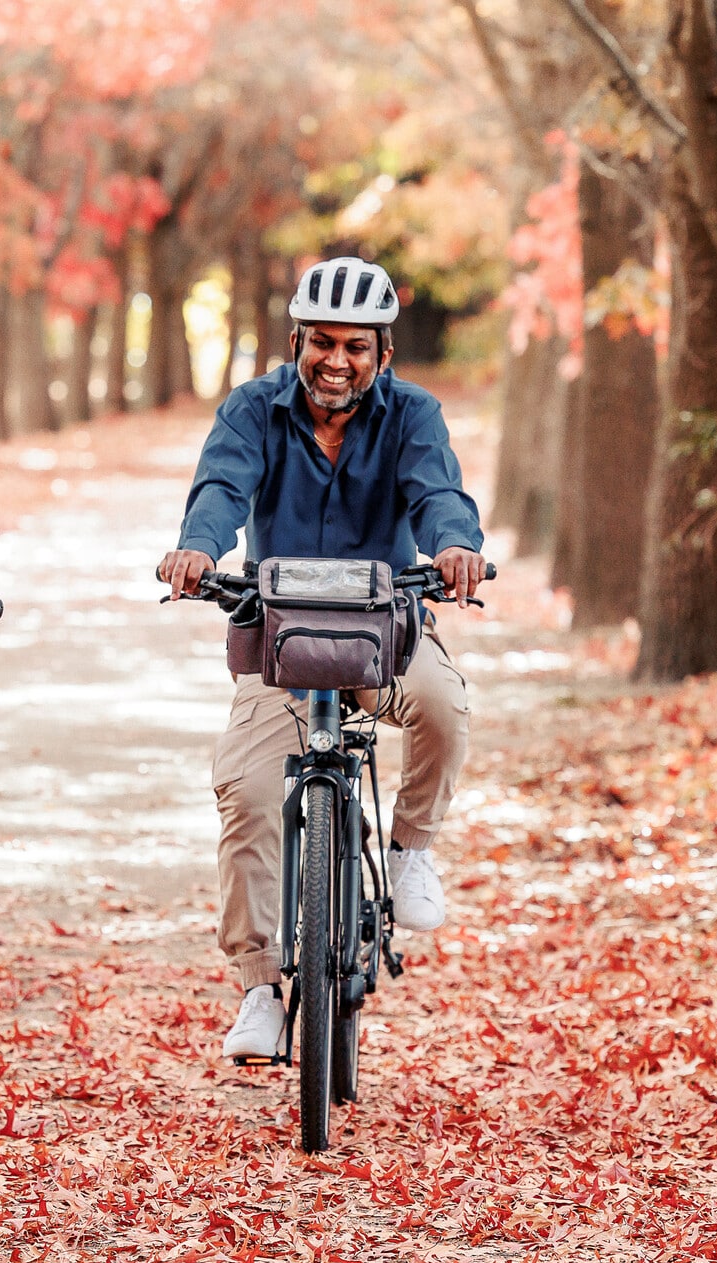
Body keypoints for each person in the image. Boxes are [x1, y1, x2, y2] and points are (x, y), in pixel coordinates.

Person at [157, 256, 488, 1061]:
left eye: (356, 347)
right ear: (295, 339)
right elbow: (220, 490)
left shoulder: (412, 414)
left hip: (384, 637)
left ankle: (410, 849)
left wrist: (454, 548)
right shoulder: (252, 410)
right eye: (322, 343)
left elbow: (437, 492)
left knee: (446, 706)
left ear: (383, 356)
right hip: (282, 646)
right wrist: (197, 549)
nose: (336, 362)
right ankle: (260, 988)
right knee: (247, 790)